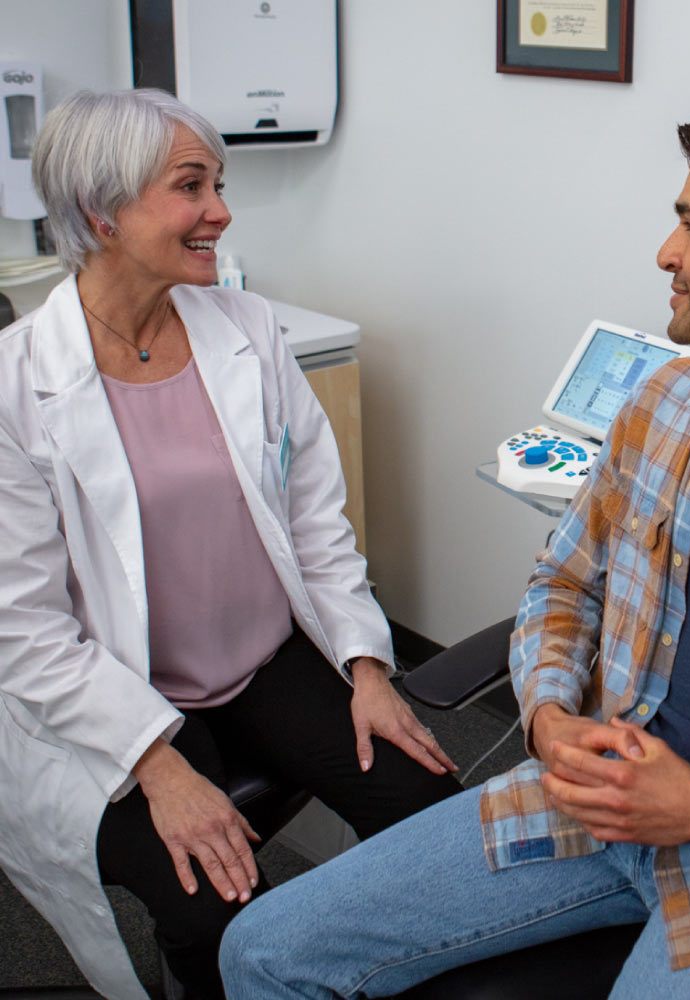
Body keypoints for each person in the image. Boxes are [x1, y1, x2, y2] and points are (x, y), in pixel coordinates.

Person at [220, 100, 690, 998]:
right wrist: (550, 716)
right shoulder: (662, 405)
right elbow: (563, 585)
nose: (666, 254)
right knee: (262, 951)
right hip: (592, 800)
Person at [0, 88, 461, 1000]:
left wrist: (368, 668)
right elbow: (25, 628)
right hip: (115, 695)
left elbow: (317, 524)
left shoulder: (247, 331)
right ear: (101, 210)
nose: (220, 210)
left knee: (434, 817)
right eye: (191, 187)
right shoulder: (17, 387)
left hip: (263, 658)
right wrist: (154, 763)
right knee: (220, 913)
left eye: (218, 184)